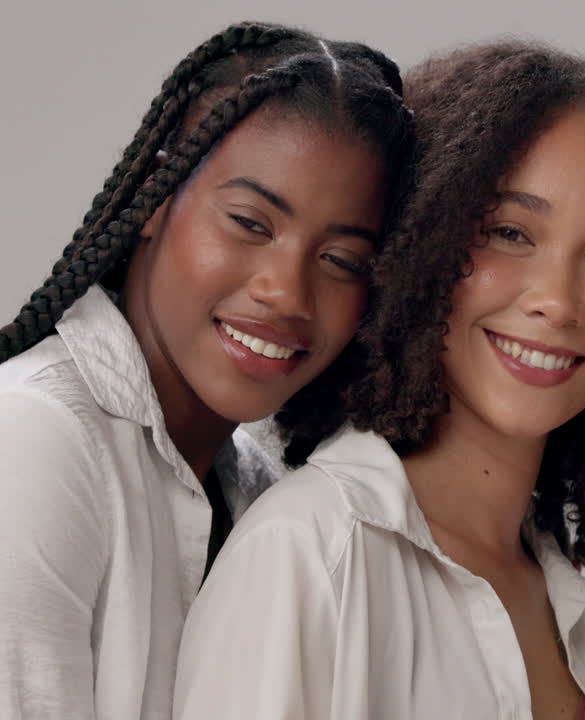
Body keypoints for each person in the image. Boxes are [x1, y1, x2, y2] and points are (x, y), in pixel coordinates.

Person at [173, 41, 585, 720]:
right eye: (511, 233)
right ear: (423, 238)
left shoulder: (549, 586)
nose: (557, 300)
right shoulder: (313, 552)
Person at [0, 21, 412, 720]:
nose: (286, 292)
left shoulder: (260, 488)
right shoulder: (34, 441)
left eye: (343, 261)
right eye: (250, 222)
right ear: (157, 197)